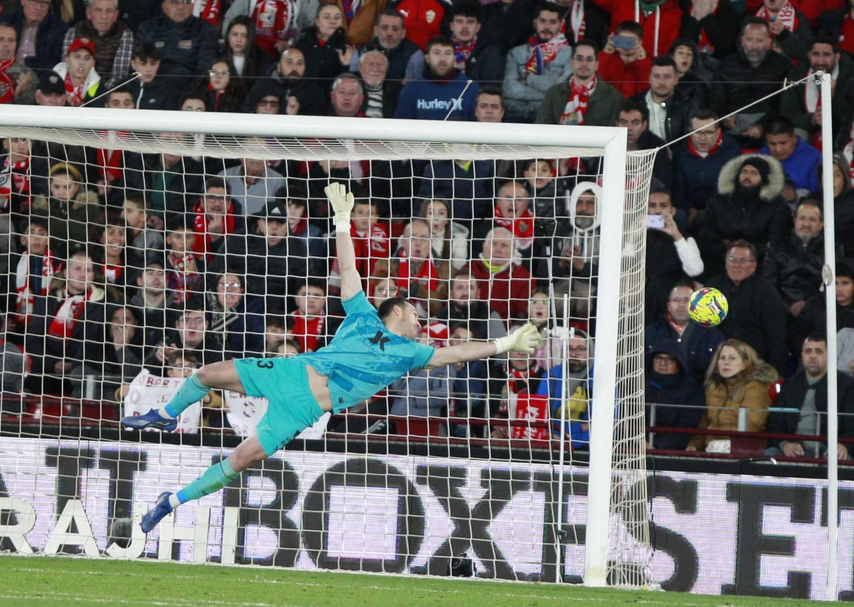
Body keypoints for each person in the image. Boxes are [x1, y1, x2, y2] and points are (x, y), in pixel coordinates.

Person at [127, 184, 544, 532]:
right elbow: (348, 270)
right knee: (205, 374)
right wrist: (342, 222)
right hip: (292, 372)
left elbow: (455, 353)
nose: (421, 321)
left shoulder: (411, 353)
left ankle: (170, 502)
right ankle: (165, 413)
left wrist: (504, 344)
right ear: (396, 309)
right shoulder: (363, 315)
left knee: (239, 460)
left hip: (306, 409)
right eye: (416, 313)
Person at [767, 334, 854, 459]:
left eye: (819, 351)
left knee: (839, 460)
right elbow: (775, 422)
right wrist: (784, 444)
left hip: (830, 453)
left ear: (829, 355)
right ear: (802, 355)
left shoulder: (847, 385)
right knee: (768, 456)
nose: (813, 356)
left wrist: (844, 445)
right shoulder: (790, 385)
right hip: (794, 452)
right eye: (808, 351)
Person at [687, 339, 779, 453]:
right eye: (722, 358)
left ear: (745, 364)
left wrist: (721, 442)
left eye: (732, 358)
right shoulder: (712, 388)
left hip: (743, 450)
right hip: (712, 449)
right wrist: (694, 445)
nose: (726, 362)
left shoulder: (755, 386)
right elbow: (704, 425)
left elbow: (752, 424)